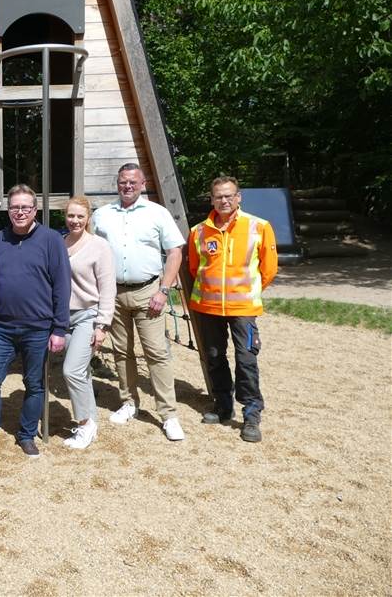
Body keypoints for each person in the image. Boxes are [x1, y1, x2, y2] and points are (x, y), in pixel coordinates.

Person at [0, 184, 70, 462]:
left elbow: (61, 284)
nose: (19, 212)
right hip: (2, 328)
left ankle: (27, 435)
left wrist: (59, 328)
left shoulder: (51, 240)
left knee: (34, 384)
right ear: (7, 210)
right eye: (14, 207)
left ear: (35, 210)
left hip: (39, 327)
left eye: (25, 207)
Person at [92, 163, 186, 441]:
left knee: (156, 352)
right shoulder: (102, 215)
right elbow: (92, 249)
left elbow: (175, 252)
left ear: (143, 183)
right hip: (113, 292)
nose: (127, 186)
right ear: (117, 183)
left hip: (149, 291)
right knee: (122, 351)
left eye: (133, 181)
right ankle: (129, 402)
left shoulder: (158, 213)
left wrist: (164, 290)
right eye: (123, 182)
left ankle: (168, 414)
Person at [188, 176, 278, 443]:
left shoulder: (258, 226)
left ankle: (251, 414)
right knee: (214, 357)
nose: (224, 201)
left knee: (246, 359)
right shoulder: (199, 231)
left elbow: (269, 268)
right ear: (211, 199)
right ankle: (222, 406)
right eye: (218, 196)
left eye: (229, 196)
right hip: (209, 306)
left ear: (239, 197)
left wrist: (246, 292)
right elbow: (195, 268)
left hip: (243, 307)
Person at [61, 196, 116, 450]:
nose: (75, 220)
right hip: (64, 317)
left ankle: (84, 423)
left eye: (80, 216)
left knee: (71, 370)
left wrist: (102, 325)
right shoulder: (61, 244)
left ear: (88, 218)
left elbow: (107, 288)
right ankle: (91, 424)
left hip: (88, 315)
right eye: (71, 216)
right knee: (81, 372)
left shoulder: (99, 246)